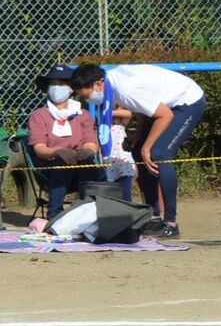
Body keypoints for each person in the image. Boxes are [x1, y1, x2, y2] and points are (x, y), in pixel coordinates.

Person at [69, 63, 205, 238]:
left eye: (85, 95)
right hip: (165, 106)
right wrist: (139, 134)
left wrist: (147, 147)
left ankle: (171, 223)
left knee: (159, 154)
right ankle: (153, 217)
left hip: (186, 103)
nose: (86, 100)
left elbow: (165, 115)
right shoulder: (112, 83)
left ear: (99, 83)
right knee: (137, 148)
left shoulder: (125, 89)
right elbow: (145, 105)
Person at [26, 64, 101, 217]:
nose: (57, 87)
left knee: (88, 164)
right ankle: (55, 214)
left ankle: (89, 213)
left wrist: (86, 151)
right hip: (51, 166)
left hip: (80, 164)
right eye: (53, 83)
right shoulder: (39, 115)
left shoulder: (83, 114)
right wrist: (59, 151)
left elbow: (91, 144)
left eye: (62, 83)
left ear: (71, 88)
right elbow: (39, 149)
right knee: (62, 163)